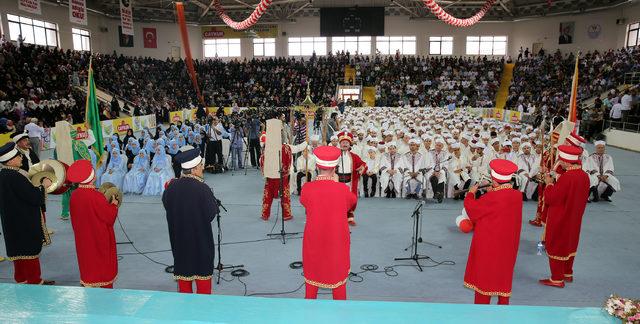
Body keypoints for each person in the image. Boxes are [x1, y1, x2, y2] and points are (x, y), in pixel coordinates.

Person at [300, 146, 357, 300]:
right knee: (338, 284)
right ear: (335, 167)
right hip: (336, 240)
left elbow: (305, 202)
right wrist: (337, 184)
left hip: (314, 238)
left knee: (312, 281)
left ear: (317, 166)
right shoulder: (342, 189)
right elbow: (352, 202)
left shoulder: (307, 188)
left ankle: (308, 312)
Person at [463, 159, 522, 305]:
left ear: (494, 181)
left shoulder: (490, 197)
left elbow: (473, 211)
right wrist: (493, 191)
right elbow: (500, 206)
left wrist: (470, 194)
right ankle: (503, 308)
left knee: (485, 277)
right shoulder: (517, 196)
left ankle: (482, 312)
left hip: (489, 244)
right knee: (503, 274)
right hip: (508, 245)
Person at [163, 147, 219, 294]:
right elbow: (211, 214)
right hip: (200, 243)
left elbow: (167, 205)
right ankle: (202, 313)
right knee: (203, 283)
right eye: (201, 166)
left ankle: (185, 311)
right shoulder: (203, 188)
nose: (203, 168)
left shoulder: (171, 187)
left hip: (180, 243)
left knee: (184, 282)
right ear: (193, 169)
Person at [0, 142, 54, 285]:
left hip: (11, 222)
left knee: (18, 253)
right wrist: (44, 185)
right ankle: (35, 282)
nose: (21, 158)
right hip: (23, 222)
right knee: (29, 252)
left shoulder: (3, 175)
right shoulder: (14, 177)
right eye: (19, 156)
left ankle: (22, 280)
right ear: (10, 160)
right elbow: (34, 197)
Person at [539, 145, 590, 288]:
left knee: (557, 245)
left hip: (561, 217)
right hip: (575, 217)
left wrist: (549, 184)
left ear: (567, 161)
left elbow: (551, 198)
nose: (560, 161)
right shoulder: (583, 175)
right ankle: (567, 273)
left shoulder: (568, 178)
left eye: (561, 160)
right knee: (570, 243)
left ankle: (556, 278)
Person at [68, 160, 120, 288]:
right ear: (92, 176)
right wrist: (114, 205)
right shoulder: (96, 197)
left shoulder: (74, 195)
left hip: (83, 238)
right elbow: (109, 218)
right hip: (98, 238)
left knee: (87, 262)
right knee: (101, 264)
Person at [260, 119, 307, 221]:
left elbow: (261, 161)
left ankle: (265, 214)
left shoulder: (266, 148)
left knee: (267, 196)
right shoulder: (286, 147)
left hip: (270, 176)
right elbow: (299, 148)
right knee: (285, 197)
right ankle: (286, 214)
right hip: (282, 177)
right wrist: (306, 142)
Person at [335, 131, 367, 225]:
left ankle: (349, 216)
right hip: (337, 180)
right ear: (340, 144)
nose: (345, 144)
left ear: (350, 145)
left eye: (346, 143)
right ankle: (338, 216)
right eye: (343, 142)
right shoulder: (335, 155)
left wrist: (360, 169)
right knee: (337, 198)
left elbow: (363, 165)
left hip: (350, 180)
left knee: (349, 198)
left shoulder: (354, 156)